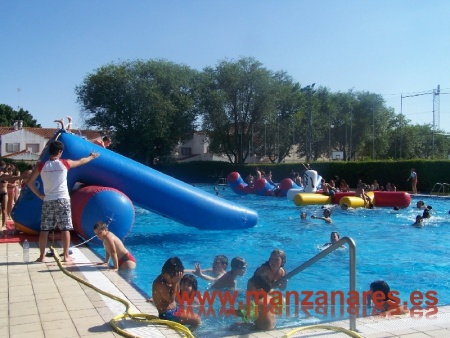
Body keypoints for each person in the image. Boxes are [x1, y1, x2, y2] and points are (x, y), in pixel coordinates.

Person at [27, 140, 100, 262]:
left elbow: (29, 182)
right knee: (65, 228)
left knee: (45, 229)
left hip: (48, 200)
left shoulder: (41, 166)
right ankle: (66, 256)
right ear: (60, 152)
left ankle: (41, 256)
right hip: (62, 199)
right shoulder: (64, 163)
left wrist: (39, 194)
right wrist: (91, 157)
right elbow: (81, 161)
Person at [152, 257, 201, 326]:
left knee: (194, 314)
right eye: (174, 277)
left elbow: (177, 294)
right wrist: (175, 283)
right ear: (167, 274)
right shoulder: (160, 284)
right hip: (167, 314)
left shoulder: (167, 277)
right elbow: (171, 300)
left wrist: (177, 281)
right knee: (197, 319)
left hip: (174, 310)